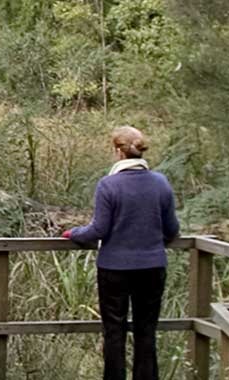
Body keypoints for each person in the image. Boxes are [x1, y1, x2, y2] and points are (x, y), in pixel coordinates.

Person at [63, 126, 179, 380]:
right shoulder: (161, 183)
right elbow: (172, 230)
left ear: (118, 151)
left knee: (114, 331)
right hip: (152, 266)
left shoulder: (108, 185)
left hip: (114, 268)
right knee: (146, 331)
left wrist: (74, 234)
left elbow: (99, 229)